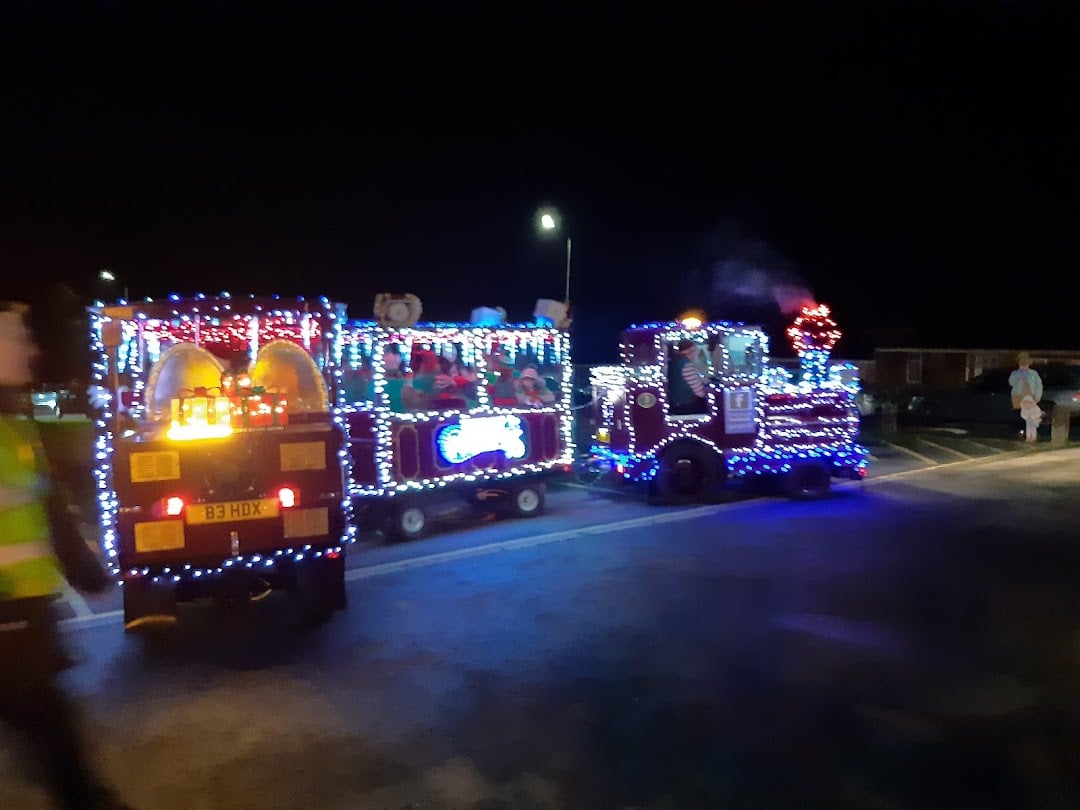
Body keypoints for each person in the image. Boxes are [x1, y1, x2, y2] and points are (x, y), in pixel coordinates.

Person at [0, 301, 130, 809]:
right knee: (65, 764)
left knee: (59, 755)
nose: (32, 350)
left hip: (28, 624)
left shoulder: (17, 428)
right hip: (12, 628)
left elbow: (48, 511)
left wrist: (88, 571)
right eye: (17, 338)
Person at [1009, 351, 1044, 443]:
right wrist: (1018, 377)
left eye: (1025, 364)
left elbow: (1039, 385)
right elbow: (1011, 382)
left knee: (1032, 417)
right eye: (1022, 364)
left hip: (1030, 397)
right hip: (1019, 397)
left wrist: (1037, 397)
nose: (1024, 366)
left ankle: (1033, 436)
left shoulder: (1033, 374)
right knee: (1024, 417)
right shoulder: (1015, 373)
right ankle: (1027, 435)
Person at [668, 338, 707, 415]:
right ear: (690, 351)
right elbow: (700, 393)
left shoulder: (673, 363)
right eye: (696, 350)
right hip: (687, 407)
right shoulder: (687, 366)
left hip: (675, 405)